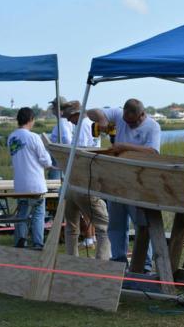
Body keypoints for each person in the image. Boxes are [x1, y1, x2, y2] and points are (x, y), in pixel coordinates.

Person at [87, 99, 160, 271]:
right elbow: (91, 111)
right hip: (116, 181)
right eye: (126, 121)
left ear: (142, 114)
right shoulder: (119, 115)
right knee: (116, 225)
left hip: (139, 183)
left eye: (132, 121)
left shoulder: (153, 127)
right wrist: (103, 120)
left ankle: (145, 265)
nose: (128, 124)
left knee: (142, 225)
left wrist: (124, 147)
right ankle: (119, 262)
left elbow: (152, 151)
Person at [60, 101, 111, 260]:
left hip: (78, 181)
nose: (68, 121)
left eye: (69, 117)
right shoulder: (87, 125)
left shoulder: (82, 126)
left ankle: (72, 260)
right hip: (83, 182)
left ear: (77, 114)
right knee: (103, 226)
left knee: (73, 227)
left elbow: (81, 154)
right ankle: (102, 262)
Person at [7, 107, 53, 249]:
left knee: (22, 213)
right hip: (35, 185)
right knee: (38, 214)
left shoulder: (11, 137)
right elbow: (46, 161)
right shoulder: (34, 137)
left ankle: (21, 241)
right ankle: (38, 243)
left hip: (20, 184)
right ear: (31, 120)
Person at [47, 96, 73, 180]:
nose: (52, 109)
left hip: (58, 159)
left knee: (55, 184)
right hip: (59, 158)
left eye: (54, 106)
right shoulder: (65, 122)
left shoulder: (62, 123)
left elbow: (68, 140)